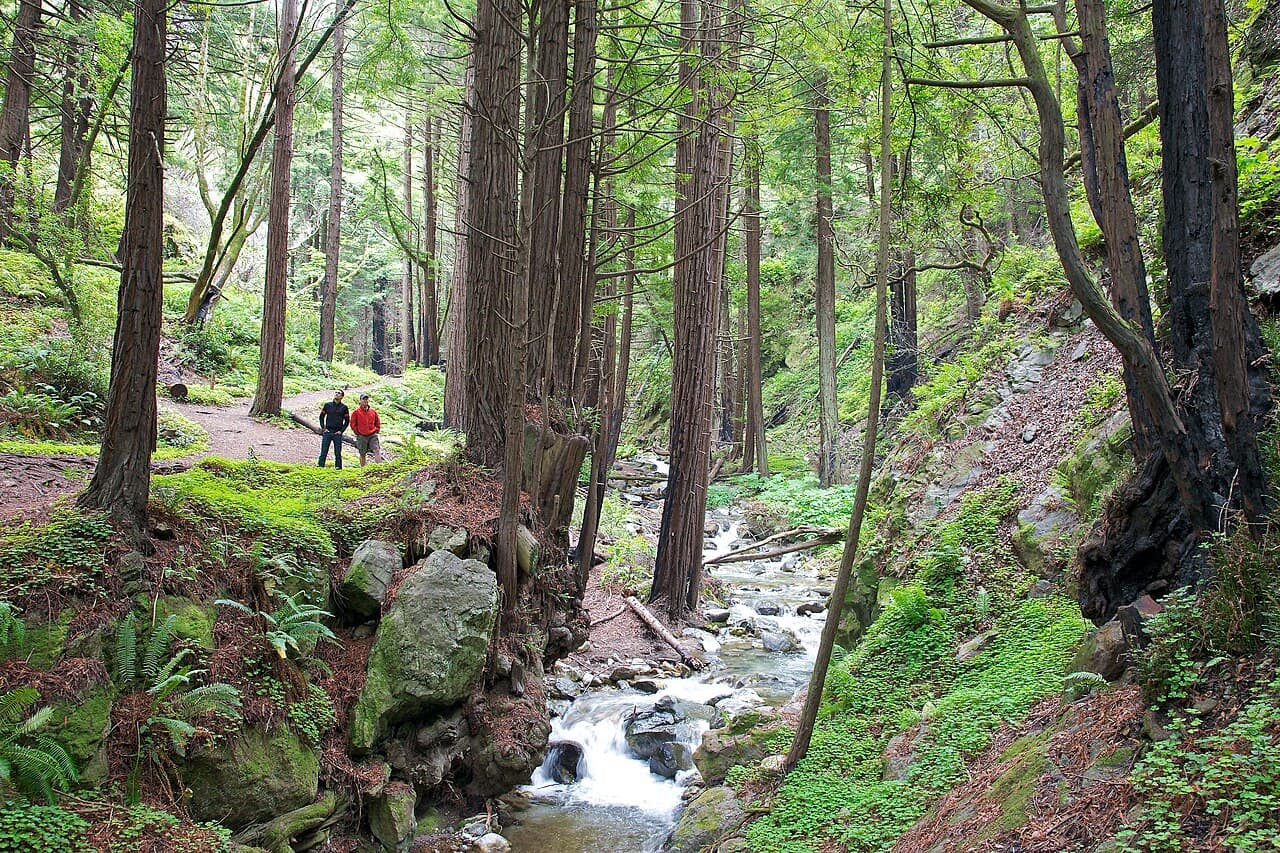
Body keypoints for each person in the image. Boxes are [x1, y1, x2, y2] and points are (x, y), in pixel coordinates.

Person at [318, 390, 350, 469]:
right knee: (323, 452)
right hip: (328, 432)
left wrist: (341, 431)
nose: (336, 394)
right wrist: (323, 428)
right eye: (336, 392)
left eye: (339, 393)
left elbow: (347, 421)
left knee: (338, 453)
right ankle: (320, 467)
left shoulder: (344, 407)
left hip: (337, 433)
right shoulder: (327, 405)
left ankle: (338, 468)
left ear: (342, 396)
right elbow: (321, 416)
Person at [351, 393, 383, 466]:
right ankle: (363, 469)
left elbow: (377, 421)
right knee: (362, 453)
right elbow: (353, 424)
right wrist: (358, 432)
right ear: (360, 401)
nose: (365, 401)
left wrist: (377, 430)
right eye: (363, 399)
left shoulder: (373, 411)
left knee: (376, 450)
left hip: (373, 434)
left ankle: (380, 467)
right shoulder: (356, 412)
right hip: (362, 436)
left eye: (366, 399)